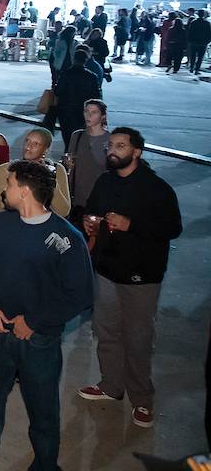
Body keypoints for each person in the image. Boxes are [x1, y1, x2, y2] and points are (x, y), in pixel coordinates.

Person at [0, 160, 93, 471]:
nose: (4, 190)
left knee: (43, 408)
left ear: (25, 192)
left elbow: (80, 294)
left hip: (38, 340)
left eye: (10, 184)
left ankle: (45, 464)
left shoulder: (66, 239)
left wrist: (34, 322)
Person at [77, 127, 182, 430]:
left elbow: (172, 228)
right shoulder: (105, 182)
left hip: (141, 276)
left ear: (137, 152)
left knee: (138, 338)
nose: (112, 150)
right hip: (106, 269)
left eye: (120, 146)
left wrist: (130, 224)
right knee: (106, 331)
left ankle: (142, 399)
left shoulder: (156, 188)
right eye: (111, 145)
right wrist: (88, 222)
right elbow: (90, 211)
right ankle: (111, 385)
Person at [0, 128, 71, 218]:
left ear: (46, 149)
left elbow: (63, 211)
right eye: (27, 141)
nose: (28, 146)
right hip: (13, 223)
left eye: (35, 144)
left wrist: (50, 180)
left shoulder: (57, 170)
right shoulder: (5, 169)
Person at [62, 98, 109, 226]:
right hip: (76, 198)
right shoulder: (77, 136)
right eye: (86, 111)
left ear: (102, 116)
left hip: (98, 199)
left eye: (94, 112)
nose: (89, 115)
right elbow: (69, 161)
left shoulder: (109, 140)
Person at [54, 46, 102, 140]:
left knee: (67, 135)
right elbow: (96, 95)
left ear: (74, 59)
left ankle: (69, 148)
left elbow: (58, 91)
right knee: (81, 135)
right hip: (83, 110)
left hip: (66, 109)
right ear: (85, 60)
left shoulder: (66, 74)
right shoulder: (92, 76)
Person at [187, 9, 209, 74]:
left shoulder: (194, 22)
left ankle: (191, 67)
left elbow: (190, 32)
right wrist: (207, 41)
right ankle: (197, 69)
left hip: (194, 42)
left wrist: (190, 40)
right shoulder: (207, 23)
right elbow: (209, 33)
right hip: (203, 43)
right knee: (200, 57)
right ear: (204, 14)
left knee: (193, 56)